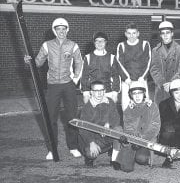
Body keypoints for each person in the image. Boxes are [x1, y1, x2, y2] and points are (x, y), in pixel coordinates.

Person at [24, 18, 83, 160]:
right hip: (52, 86)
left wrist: (75, 80)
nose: (61, 32)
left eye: (64, 29)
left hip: (68, 84)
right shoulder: (47, 45)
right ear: (54, 31)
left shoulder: (73, 45)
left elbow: (79, 63)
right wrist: (29, 61)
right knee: (51, 118)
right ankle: (52, 149)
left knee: (72, 117)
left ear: (67, 30)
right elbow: (38, 63)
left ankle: (73, 147)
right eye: (58, 29)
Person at [116, 81, 161, 172]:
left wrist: (142, 139)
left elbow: (155, 126)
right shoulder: (128, 110)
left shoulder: (152, 106)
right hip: (133, 140)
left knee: (141, 159)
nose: (137, 96)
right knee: (126, 168)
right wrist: (128, 140)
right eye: (134, 93)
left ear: (144, 93)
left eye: (139, 93)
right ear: (131, 95)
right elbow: (128, 128)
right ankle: (127, 155)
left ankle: (145, 155)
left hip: (146, 139)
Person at [78, 80, 121, 167]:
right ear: (91, 92)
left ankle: (114, 155)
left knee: (119, 130)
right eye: (96, 91)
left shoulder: (110, 102)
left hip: (107, 134)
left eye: (101, 90)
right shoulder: (87, 108)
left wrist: (109, 123)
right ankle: (90, 156)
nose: (99, 93)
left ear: (105, 91)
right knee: (91, 154)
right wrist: (91, 142)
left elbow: (117, 119)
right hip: (95, 138)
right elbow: (83, 129)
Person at [150, 21, 180, 104]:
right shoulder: (155, 50)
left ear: (172, 33)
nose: (165, 35)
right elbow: (154, 69)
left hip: (176, 89)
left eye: (168, 33)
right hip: (161, 88)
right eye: (163, 33)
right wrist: (163, 84)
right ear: (160, 35)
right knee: (160, 113)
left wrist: (172, 83)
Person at [116, 23, 151, 111]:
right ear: (125, 34)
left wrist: (143, 77)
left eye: (134, 33)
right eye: (129, 33)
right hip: (127, 82)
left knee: (144, 106)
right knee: (127, 107)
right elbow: (119, 63)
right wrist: (126, 78)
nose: (131, 36)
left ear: (138, 33)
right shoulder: (121, 45)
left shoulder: (145, 44)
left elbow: (148, 62)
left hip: (141, 80)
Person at [80, 32, 120, 104]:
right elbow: (84, 77)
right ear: (94, 43)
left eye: (102, 40)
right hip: (93, 93)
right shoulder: (88, 57)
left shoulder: (112, 57)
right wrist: (85, 94)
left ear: (106, 42)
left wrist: (115, 93)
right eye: (97, 41)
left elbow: (116, 76)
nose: (100, 43)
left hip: (108, 92)